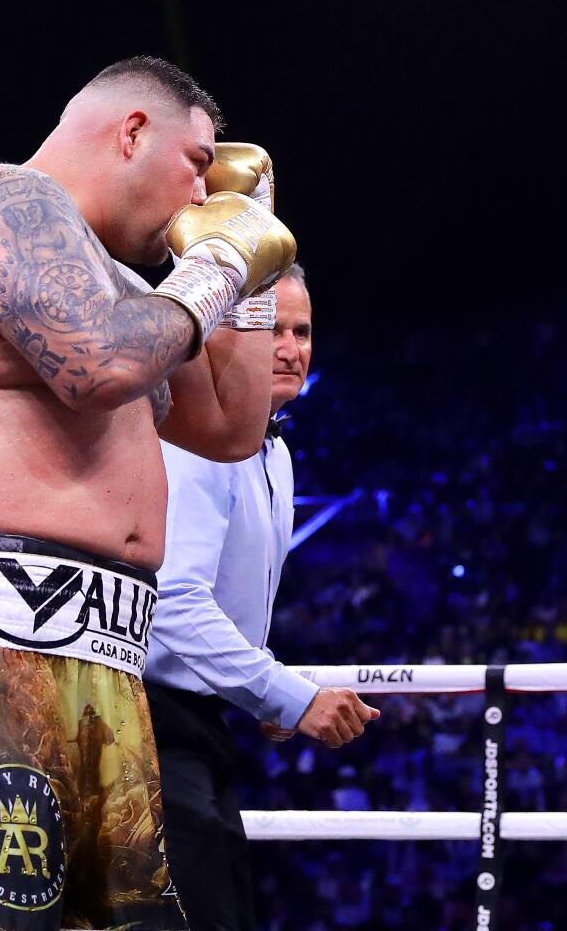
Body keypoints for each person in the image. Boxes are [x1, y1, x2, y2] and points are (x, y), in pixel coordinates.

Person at [0, 55, 297, 931]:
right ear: (133, 130)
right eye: (198, 161)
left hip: (102, 660)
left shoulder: (123, 285)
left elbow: (230, 427)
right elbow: (99, 365)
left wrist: (252, 264)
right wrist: (214, 263)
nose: (201, 189)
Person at [145, 263, 380, 930]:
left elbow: (228, 595)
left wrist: (262, 685)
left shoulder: (272, 450)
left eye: (302, 330)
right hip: (148, 722)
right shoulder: (194, 441)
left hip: (202, 725)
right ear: (222, 336)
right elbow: (174, 602)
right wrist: (287, 695)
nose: (291, 347)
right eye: (272, 328)